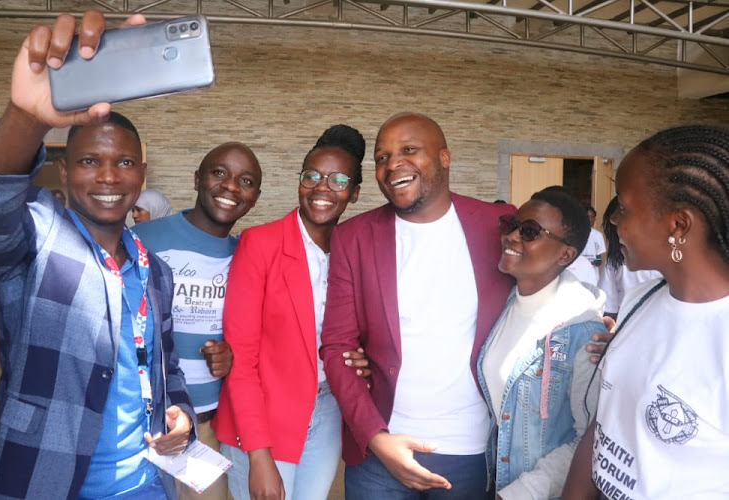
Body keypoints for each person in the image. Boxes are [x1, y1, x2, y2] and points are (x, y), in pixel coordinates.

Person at [0, 11, 195, 499]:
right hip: (42, 479)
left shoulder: (154, 270)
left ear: (141, 174)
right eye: (89, 161)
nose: (108, 177)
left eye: (122, 162)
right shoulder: (37, 236)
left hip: (146, 483)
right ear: (63, 170)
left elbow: (168, 368)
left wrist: (180, 414)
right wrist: (28, 118)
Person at [320, 112, 516, 499]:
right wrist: (375, 437)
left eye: (409, 150)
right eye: (381, 157)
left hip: (470, 450)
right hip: (382, 449)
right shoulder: (353, 238)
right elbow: (337, 345)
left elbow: (547, 282)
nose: (393, 164)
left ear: (444, 158)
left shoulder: (497, 224)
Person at [562, 125, 729, 499]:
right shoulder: (641, 299)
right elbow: (604, 426)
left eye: (624, 207)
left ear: (678, 225)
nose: (615, 221)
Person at [213, 124, 366, 500]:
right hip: (264, 416)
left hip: (327, 410)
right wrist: (259, 455)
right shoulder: (260, 244)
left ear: (355, 192)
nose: (321, 188)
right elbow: (242, 358)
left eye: (337, 179)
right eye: (311, 176)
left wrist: (363, 357)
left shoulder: (351, 251)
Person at [132, 142, 262, 500]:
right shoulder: (146, 238)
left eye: (246, 180)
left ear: (255, 197)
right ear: (197, 179)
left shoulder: (247, 255)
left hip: (206, 425)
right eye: (219, 172)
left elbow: (254, 330)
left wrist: (231, 352)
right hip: (143, 423)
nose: (232, 186)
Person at [477, 189, 605, 499]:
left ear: (565, 255)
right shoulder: (502, 304)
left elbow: (590, 438)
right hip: (494, 482)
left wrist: (522, 492)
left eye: (530, 231)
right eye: (512, 224)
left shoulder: (582, 330)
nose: (512, 236)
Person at [597, 196, 661, 319]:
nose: (613, 219)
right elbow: (609, 309)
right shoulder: (614, 262)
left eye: (622, 211)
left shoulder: (667, 259)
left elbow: (610, 310)